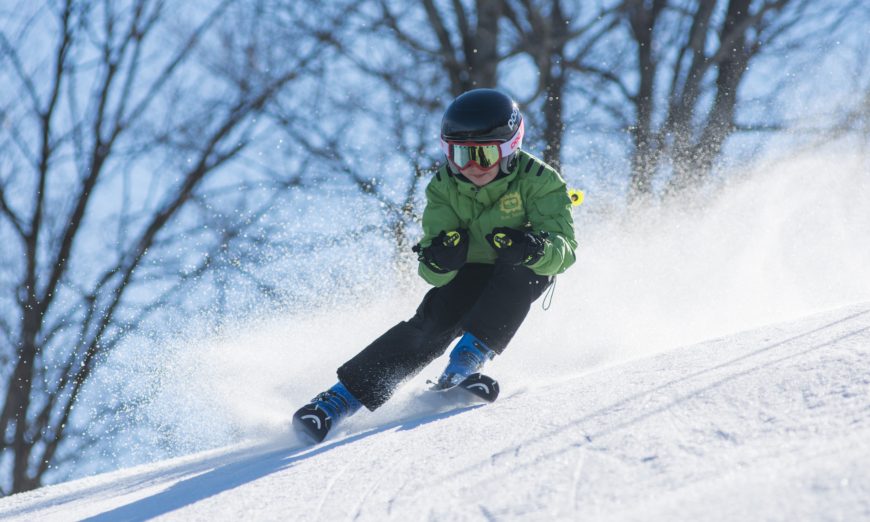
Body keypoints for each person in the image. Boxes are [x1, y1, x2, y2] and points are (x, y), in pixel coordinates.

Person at [292, 88, 577, 442]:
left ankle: (465, 364)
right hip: (469, 270)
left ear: (509, 149)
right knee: (432, 322)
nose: (471, 167)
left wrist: (532, 247)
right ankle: (337, 401)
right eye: (459, 155)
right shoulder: (444, 186)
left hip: (518, 267)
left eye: (484, 155)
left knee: (522, 275)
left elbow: (565, 250)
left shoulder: (540, 180)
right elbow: (431, 270)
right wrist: (441, 258)